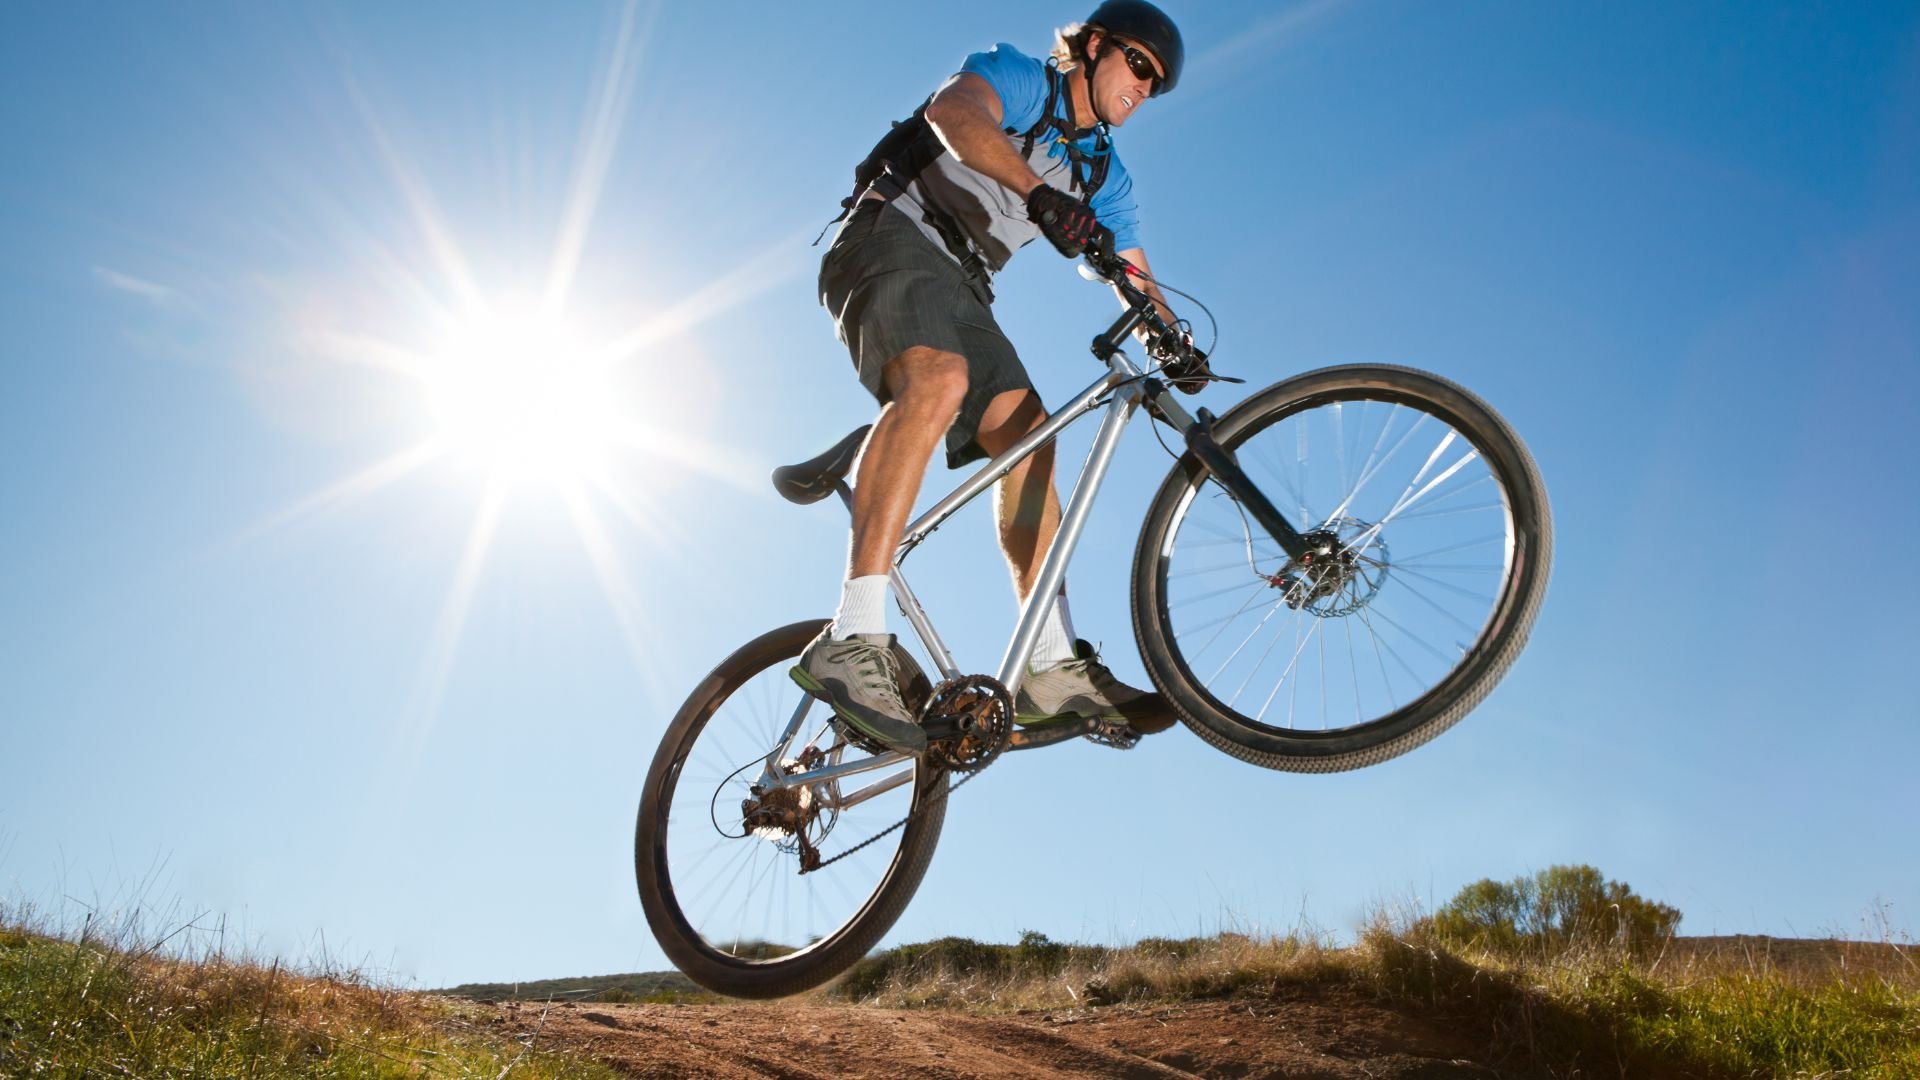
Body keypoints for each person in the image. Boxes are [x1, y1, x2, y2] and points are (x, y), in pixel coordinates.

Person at [794, 0, 1202, 754]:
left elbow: (1133, 268)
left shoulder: (1102, 172)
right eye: (1139, 64)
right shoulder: (1023, 79)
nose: (1145, 85)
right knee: (940, 380)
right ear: (1094, 46)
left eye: (1159, 82)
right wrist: (1036, 191)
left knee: (1031, 442)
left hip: (965, 286)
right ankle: (851, 638)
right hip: (890, 233)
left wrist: (1171, 334)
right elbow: (955, 112)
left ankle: (1049, 667)